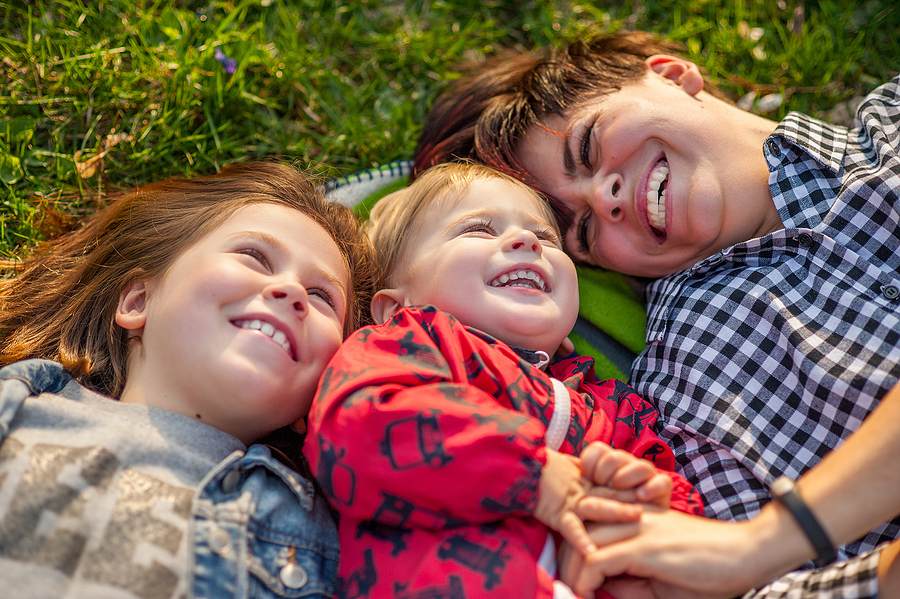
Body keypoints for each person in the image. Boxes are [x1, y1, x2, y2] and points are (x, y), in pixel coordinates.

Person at [412, 31, 899, 596]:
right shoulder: (692, 383)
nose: (606, 198)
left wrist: (777, 536)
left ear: (670, 73)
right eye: (586, 232)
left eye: (589, 146)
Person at [303, 162, 703, 598]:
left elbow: (679, 505)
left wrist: (645, 503)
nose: (526, 240)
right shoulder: (411, 345)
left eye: (546, 238)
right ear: (397, 308)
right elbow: (360, 431)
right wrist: (535, 475)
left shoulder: (615, 409)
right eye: (477, 229)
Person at [0, 162, 378, 598]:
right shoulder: (23, 403)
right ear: (139, 301)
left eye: (321, 298)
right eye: (255, 257)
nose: (292, 291)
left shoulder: (326, 532)